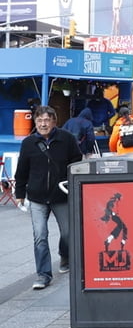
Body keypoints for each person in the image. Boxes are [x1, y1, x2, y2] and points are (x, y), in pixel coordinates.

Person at [14, 106, 82, 290]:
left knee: (68, 233)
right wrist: (19, 193)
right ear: (35, 122)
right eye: (39, 120)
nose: (43, 124)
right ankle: (43, 275)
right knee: (40, 236)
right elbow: (22, 170)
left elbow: (76, 163)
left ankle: (64, 254)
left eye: (46, 120)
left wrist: (75, 185)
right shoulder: (28, 143)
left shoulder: (66, 139)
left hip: (61, 195)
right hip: (37, 197)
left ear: (54, 121)